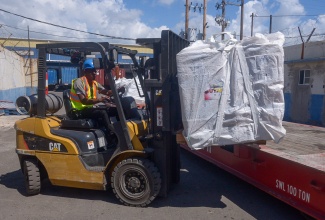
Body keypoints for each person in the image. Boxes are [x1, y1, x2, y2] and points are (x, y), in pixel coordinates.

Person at [70, 58, 118, 134]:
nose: (95, 73)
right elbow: (84, 101)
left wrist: (116, 90)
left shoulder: (94, 83)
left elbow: (106, 92)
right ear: (85, 71)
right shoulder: (78, 82)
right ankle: (110, 132)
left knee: (114, 109)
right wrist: (100, 100)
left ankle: (119, 130)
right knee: (102, 113)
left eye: (95, 71)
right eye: (92, 71)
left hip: (89, 108)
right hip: (79, 111)